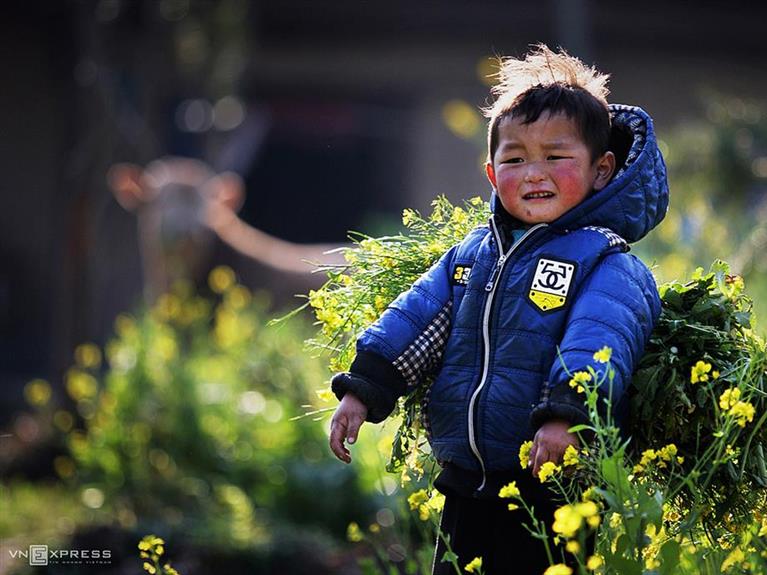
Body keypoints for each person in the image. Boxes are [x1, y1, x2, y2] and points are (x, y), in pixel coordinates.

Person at [328, 44, 668, 574]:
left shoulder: (607, 263)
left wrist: (566, 419)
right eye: (515, 159)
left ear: (602, 170)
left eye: (557, 157)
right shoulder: (471, 255)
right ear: (491, 174)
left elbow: (598, 346)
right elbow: (417, 319)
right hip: (467, 482)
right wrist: (363, 388)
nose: (535, 173)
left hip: (553, 488)